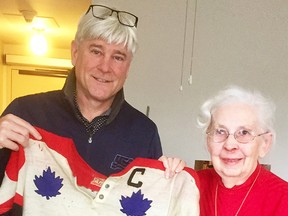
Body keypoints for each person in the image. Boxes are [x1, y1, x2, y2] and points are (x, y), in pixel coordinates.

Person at [0, 3, 184, 198]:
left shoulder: (144, 133)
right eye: (96, 51)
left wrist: (171, 180)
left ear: (128, 68)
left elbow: (149, 203)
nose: (105, 67)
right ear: (75, 53)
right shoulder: (25, 113)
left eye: (118, 57)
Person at [196, 86, 288, 216]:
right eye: (220, 131)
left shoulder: (284, 199)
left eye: (244, 132)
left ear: (264, 144)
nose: (230, 145)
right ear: (208, 140)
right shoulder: (191, 185)